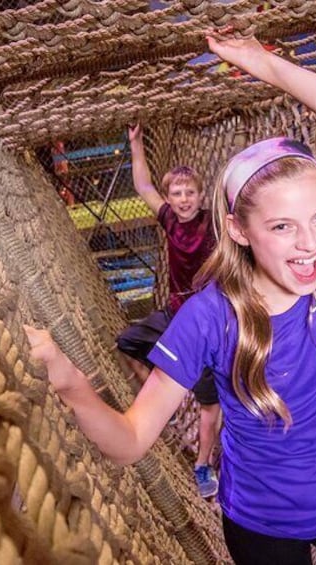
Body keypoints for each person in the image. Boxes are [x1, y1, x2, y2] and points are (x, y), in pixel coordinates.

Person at [26, 35, 316, 564]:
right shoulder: (208, 318)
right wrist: (70, 383)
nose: (309, 243)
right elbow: (129, 440)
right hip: (260, 525)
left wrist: (263, 63)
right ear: (238, 230)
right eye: (283, 226)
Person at [114, 123, 221, 498]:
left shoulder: (213, 222)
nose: (184, 199)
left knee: (210, 404)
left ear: (200, 194)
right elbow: (143, 186)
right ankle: (169, 394)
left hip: (208, 321)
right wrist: (136, 143)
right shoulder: (169, 219)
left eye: (190, 192)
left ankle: (203, 466)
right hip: (177, 313)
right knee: (127, 340)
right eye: (177, 193)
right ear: (170, 198)